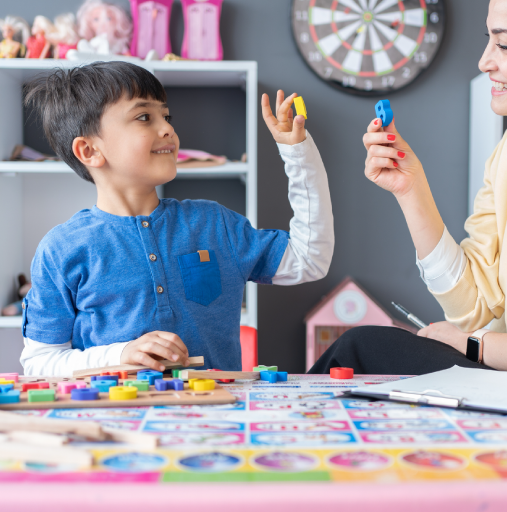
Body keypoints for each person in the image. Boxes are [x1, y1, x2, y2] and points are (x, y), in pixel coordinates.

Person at [310, 0, 507, 376]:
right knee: (361, 349)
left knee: (358, 347)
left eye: (506, 45)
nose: (485, 61)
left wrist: (469, 346)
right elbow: (474, 306)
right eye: (488, 40)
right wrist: (411, 190)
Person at [21, 61, 334, 376]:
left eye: (166, 116)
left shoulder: (214, 223)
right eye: (144, 117)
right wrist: (121, 355)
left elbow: (309, 259)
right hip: (117, 421)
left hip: (215, 418)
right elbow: (40, 363)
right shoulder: (61, 249)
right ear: (89, 151)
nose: (168, 128)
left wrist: (297, 153)